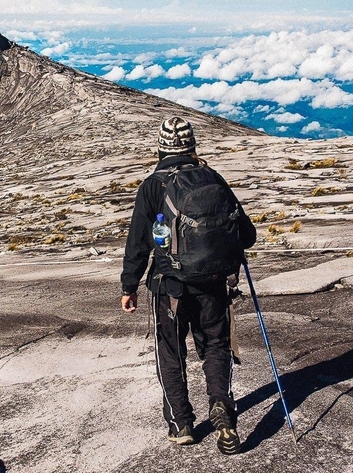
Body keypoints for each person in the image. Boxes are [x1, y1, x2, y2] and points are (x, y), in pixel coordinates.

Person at [120, 116, 256, 455]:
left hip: (171, 287)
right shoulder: (213, 178)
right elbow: (248, 235)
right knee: (216, 345)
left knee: (170, 352)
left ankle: (181, 423)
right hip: (213, 284)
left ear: (161, 148)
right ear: (192, 146)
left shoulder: (153, 185)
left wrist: (129, 286)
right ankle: (222, 407)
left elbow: (138, 242)